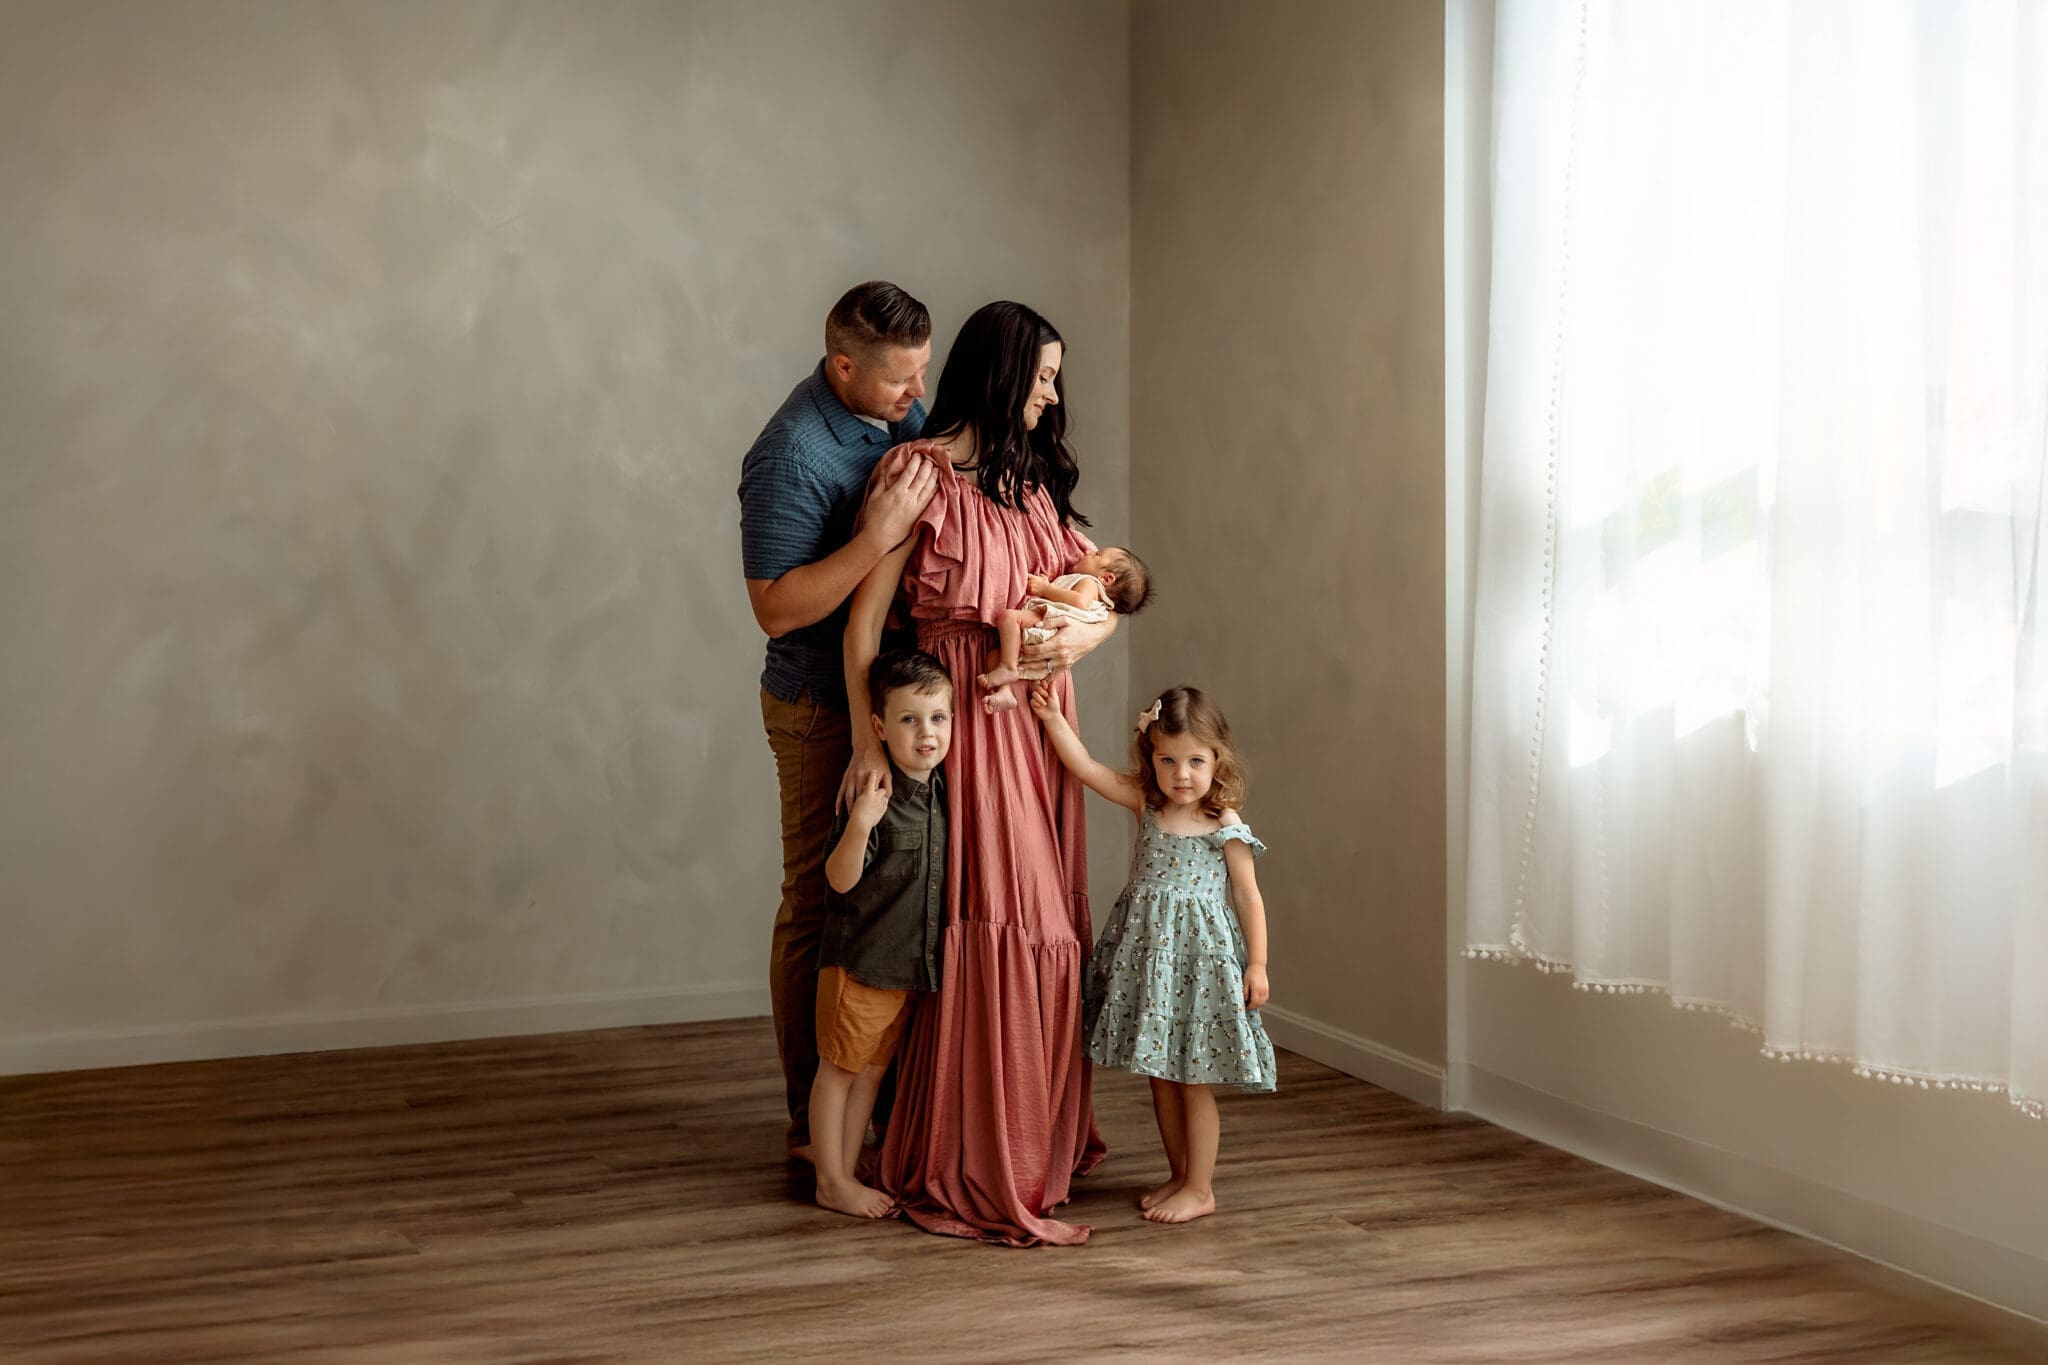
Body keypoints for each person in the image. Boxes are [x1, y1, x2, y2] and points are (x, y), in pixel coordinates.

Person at [841, 301, 1118, 1245]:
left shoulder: (1029, 484)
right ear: (999, 375)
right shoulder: (920, 476)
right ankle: (976, 1155)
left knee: (1050, 929)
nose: (1051, 394)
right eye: (1041, 376)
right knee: (1004, 925)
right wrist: (868, 739)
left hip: (1040, 726)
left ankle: (1033, 1144)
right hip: (961, 720)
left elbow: (1103, 584)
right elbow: (866, 625)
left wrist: (1094, 623)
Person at [738, 281, 940, 1161]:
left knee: (892, 893)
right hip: (819, 706)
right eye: (900, 379)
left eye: (922, 374)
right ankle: (806, 1124)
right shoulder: (789, 455)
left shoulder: (894, 407)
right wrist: (874, 536)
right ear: (842, 365)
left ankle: (881, 1106)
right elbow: (777, 608)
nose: (916, 394)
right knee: (820, 900)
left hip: (891, 706)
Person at [1030, 682, 1276, 1225]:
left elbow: (1248, 894)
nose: (1182, 774)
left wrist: (1255, 964)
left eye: (1195, 760)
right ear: (1151, 759)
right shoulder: (1149, 803)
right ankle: (1180, 1174)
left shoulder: (1224, 822)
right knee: (1161, 1075)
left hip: (1200, 966)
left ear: (1217, 760)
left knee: (1193, 1077)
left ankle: (1202, 1186)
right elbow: (1087, 769)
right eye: (1168, 760)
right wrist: (1051, 718)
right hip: (1151, 963)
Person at [810, 650, 953, 1219]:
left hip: (905, 969)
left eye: (938, 718)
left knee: (869, 1074)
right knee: (839, 1071)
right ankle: (830, 1180)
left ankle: (844, 1171)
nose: (926, 733)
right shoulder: (872, 795)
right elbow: (839, 881)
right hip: (861, 966)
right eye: (910, 719)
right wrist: (863, 822)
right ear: (879, 726)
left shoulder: (940, 790)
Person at [976, 546, 1153, 714]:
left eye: (1097, 554)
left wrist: (1046, 588)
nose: (1088, 551)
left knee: (1008, 618)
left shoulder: (1089, 582)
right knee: (994, 656)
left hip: (1045, 624)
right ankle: (1005, 690)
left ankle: (1008, 668)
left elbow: (1079, 602)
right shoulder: (1097, 593)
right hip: (1049, 640)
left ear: (1107, 578)